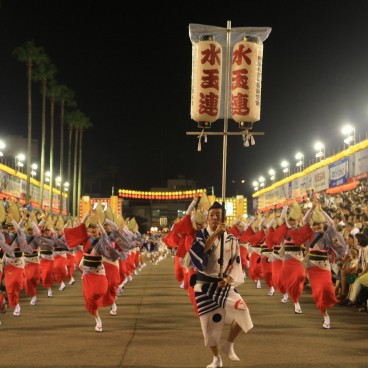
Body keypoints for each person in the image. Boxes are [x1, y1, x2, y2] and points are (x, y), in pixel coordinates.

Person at [189, 201, 253, 368]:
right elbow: (198, 254)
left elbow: (237, 264)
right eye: (212, 215)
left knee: (243, 311)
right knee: (209, 329)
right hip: (204, 285)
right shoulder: (201, 234)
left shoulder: (232, 239)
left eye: (218, 215)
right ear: (208, 218)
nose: (215, 218)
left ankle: (229, 344)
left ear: (224, 218)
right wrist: (216, 234)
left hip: (224, 285)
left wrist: (229, 279)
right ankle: (216, 358)